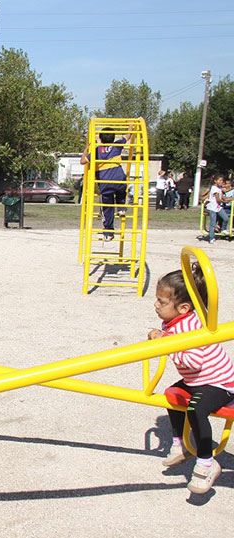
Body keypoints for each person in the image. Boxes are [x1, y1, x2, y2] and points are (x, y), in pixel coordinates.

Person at [147, 263, 233, 494]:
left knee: (196, 409)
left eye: (161, 302)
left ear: (183, 308)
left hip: (219, 382)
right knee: (172, 396)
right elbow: (170, 338)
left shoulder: (189, 328)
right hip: (198, 380)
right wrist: (161, 336)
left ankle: (207, 462)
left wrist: (165, 345)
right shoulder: (176, 321)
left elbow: (193, 361)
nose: (156, 305)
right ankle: (180, 445)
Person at [80, 126, 132, 241]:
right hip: (119, 179)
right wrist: (130, 128)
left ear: (100, 138)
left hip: (105, 182)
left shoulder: (96, 150)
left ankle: (108, 232)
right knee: (121, 191)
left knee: (107, 208)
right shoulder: (117, 145)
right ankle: (121, 207)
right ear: (113, 138)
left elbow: (83, 161)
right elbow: (127, 137)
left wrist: (86, 150)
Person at [205, 174, 228, 244]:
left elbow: (223, 197)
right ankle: (211, 238)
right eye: (220, 180)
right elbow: (218, 199)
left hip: (218, 207)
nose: (221, 182)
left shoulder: (219, 188)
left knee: (226, 218)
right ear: (215, 181)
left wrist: (231, 199)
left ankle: (223, 229)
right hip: (212, 208)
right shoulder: (214, 188)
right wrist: (224, 201)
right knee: (213, 223)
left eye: (222, 180)